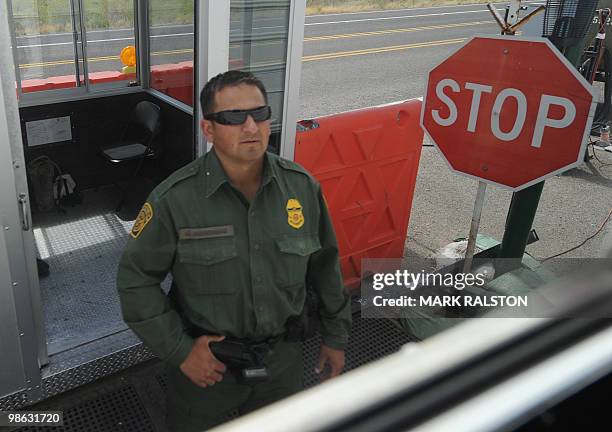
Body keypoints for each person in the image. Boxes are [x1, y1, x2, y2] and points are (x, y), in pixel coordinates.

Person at [117, 70, 351, 431]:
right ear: (208, 129)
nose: (251, 127)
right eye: (232, 118)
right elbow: (135, 281)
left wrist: (336, 337)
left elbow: (324, 267)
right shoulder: (174, 200)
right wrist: (181, 351)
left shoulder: (301, 189)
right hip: (206, 368)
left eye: (259, 113)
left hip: (282, 364)